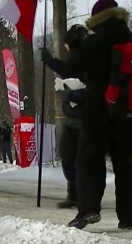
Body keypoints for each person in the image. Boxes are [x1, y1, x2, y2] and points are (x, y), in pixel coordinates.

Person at [40, 0, 132, 230]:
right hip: (126, 114)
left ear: (97, 18)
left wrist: (49, 59)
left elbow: (70, 69)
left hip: (98, 113)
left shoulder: (94, 42)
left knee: (88, 161)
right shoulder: (131, 41)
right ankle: (127, 218)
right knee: (124, 166)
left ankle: (89, 210)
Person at [53, 24, 89, 209]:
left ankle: (83, 195)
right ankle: (73, 193)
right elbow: (67, 70)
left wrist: (75, 94)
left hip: (84, 119)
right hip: (71, 118)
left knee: (80, 160)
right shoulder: (74, 60)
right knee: (68, 156)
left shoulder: (86, 59)